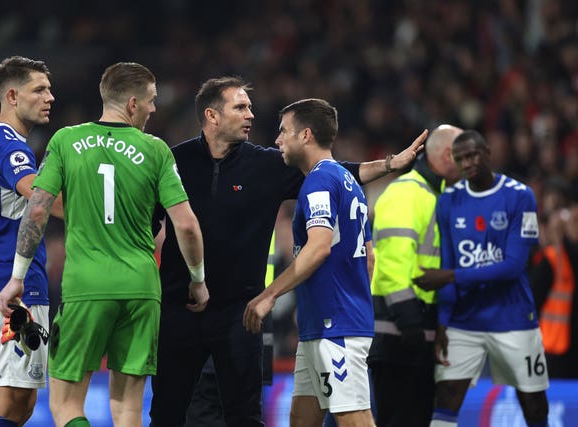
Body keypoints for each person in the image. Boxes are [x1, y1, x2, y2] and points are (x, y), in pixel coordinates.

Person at [150, 76, 425, 427]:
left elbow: (337, 174)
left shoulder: (268, 165)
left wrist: (388, 165)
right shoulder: (175, 161)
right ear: (212, 115)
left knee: (245, 415)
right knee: (167, 413)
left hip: (242, 311)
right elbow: (148, 222)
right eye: (240, 107)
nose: (251, 114)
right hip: (182, 308)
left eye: (249, 106)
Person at [0, 62, 209, 427]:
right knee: (127, 409)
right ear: (131, 104)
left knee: (65, 404)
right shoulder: (157, 150)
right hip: (142, 288)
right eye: (150, 100)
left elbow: (36, 212)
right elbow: (187, 225)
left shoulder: (65, 140)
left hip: (87, 286)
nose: (154, 108)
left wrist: (17, 276)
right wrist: (198, 279)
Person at [243, 98, 376, 426]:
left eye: (283, 131)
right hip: (325, 323)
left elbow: (318, 248)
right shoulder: (347, 181)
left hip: (336, 328)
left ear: (305, 135)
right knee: (301, 420)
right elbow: (369, 257)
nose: (277, 140)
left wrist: (268, 295)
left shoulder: (318, 181)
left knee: (353, 417)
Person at [413, 130, 550, 427]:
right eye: (461, 158)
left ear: (488, 152)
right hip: (464, 321)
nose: (468, 162)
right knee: (446, 396)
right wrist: (443, 321)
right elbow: (449, 258)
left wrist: (450, 277)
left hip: (513, 317)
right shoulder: (448, 201)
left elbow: (513, 266)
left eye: (473, 154)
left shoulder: (519, 195)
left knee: (534, 405)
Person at [0, 55, 61, 427]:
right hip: (11, 288)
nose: (49, 96)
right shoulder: (12, 147)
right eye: (39, 89)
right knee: (9, 402)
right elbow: (40, 199)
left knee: (21, 402)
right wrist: (98, 213)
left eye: (49, 89)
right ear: (12, 96)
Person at [368, 124, 462, 427]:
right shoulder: (407, 193)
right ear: (448, 155)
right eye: (464, 154)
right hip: (399, 334)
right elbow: (392, 267)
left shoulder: (436, 196)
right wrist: (412, 326)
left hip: (417, 332)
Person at [530, 204, 578, 378]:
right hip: (554, 347)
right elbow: (532, 302)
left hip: (566, 348)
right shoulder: (552, 260)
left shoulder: (566, 257)